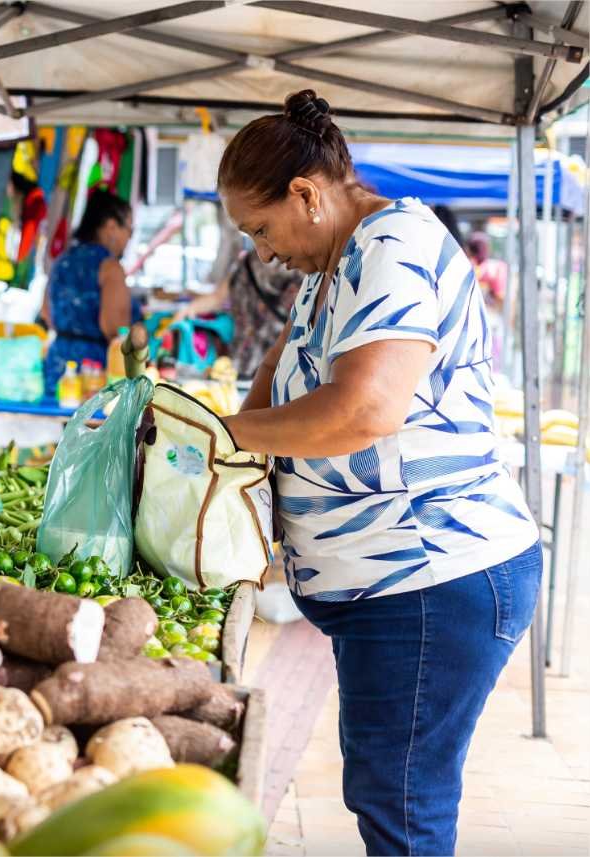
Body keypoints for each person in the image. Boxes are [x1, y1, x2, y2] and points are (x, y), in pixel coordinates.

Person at [216, 90, 539, 856]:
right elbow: (281, 366)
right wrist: (217, 441)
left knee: (399, 801)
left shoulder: (393, 246)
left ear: (306, 193)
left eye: (261, 229)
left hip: (430, 578)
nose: (263, 252)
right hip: (394, 586)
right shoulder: (334, 263)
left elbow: (363, 410)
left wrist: (220, 434)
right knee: (387, 788)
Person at [41, 189, 136, 395]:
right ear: (111, 226)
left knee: (68, 427)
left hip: (57, 368)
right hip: (92, 374)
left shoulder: (62, 260)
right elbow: (115, 329)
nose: (129, 238)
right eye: (129, 230)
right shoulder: (110, 267)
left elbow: (46, 313)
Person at [174, 242, 302, 378]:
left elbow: (217, 297)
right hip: (277, 362)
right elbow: (218, 297)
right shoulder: (292, 262)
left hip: (247, 361)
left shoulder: (248, 261)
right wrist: (188, 310)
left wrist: (188, 310)